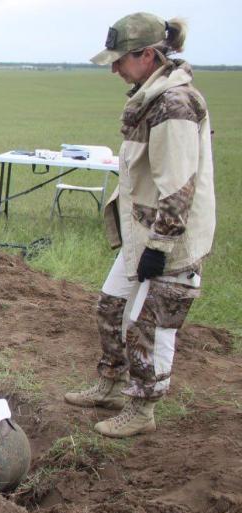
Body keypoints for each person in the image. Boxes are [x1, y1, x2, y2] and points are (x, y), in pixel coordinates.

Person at [64, 13, 216, 438]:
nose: (114, 68)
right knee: (111, 307)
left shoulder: (174, 105)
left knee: (150, 324)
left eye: (121, 59)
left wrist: (160, 247)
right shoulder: (149, 97)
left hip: (170, 239)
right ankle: (110, 384)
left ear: (148, 54)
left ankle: (142, 408)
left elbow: (179, 185)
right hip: (142, 230)